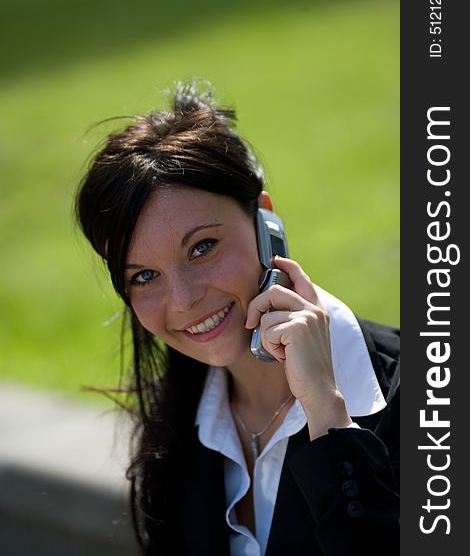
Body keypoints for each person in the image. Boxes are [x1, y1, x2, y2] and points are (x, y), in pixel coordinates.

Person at [75, 81, 400, 556]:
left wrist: (328, 415)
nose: (183, 300)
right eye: (144, 275)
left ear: (266, 223)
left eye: (202, 247)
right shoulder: (180, 421)